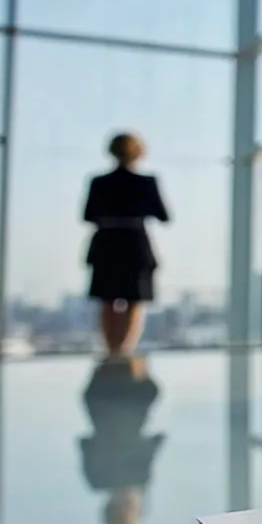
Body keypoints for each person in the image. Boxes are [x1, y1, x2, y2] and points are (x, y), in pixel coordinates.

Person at [84, 132, 169, 356]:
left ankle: (112, 351)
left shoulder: (99, 182)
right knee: (134, 300)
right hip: (134, 244)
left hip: (107, 243)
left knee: (107, 300)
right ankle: (124, 351)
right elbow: (163, 215)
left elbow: (88, 215)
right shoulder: (146, 182)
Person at [79, 356, 164, 524]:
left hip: (123, 402)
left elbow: (154, 443)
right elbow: (85, 445)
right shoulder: (97, 480)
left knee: (123, 357)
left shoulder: (137, 477)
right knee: (120, 357)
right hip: (105, 402)